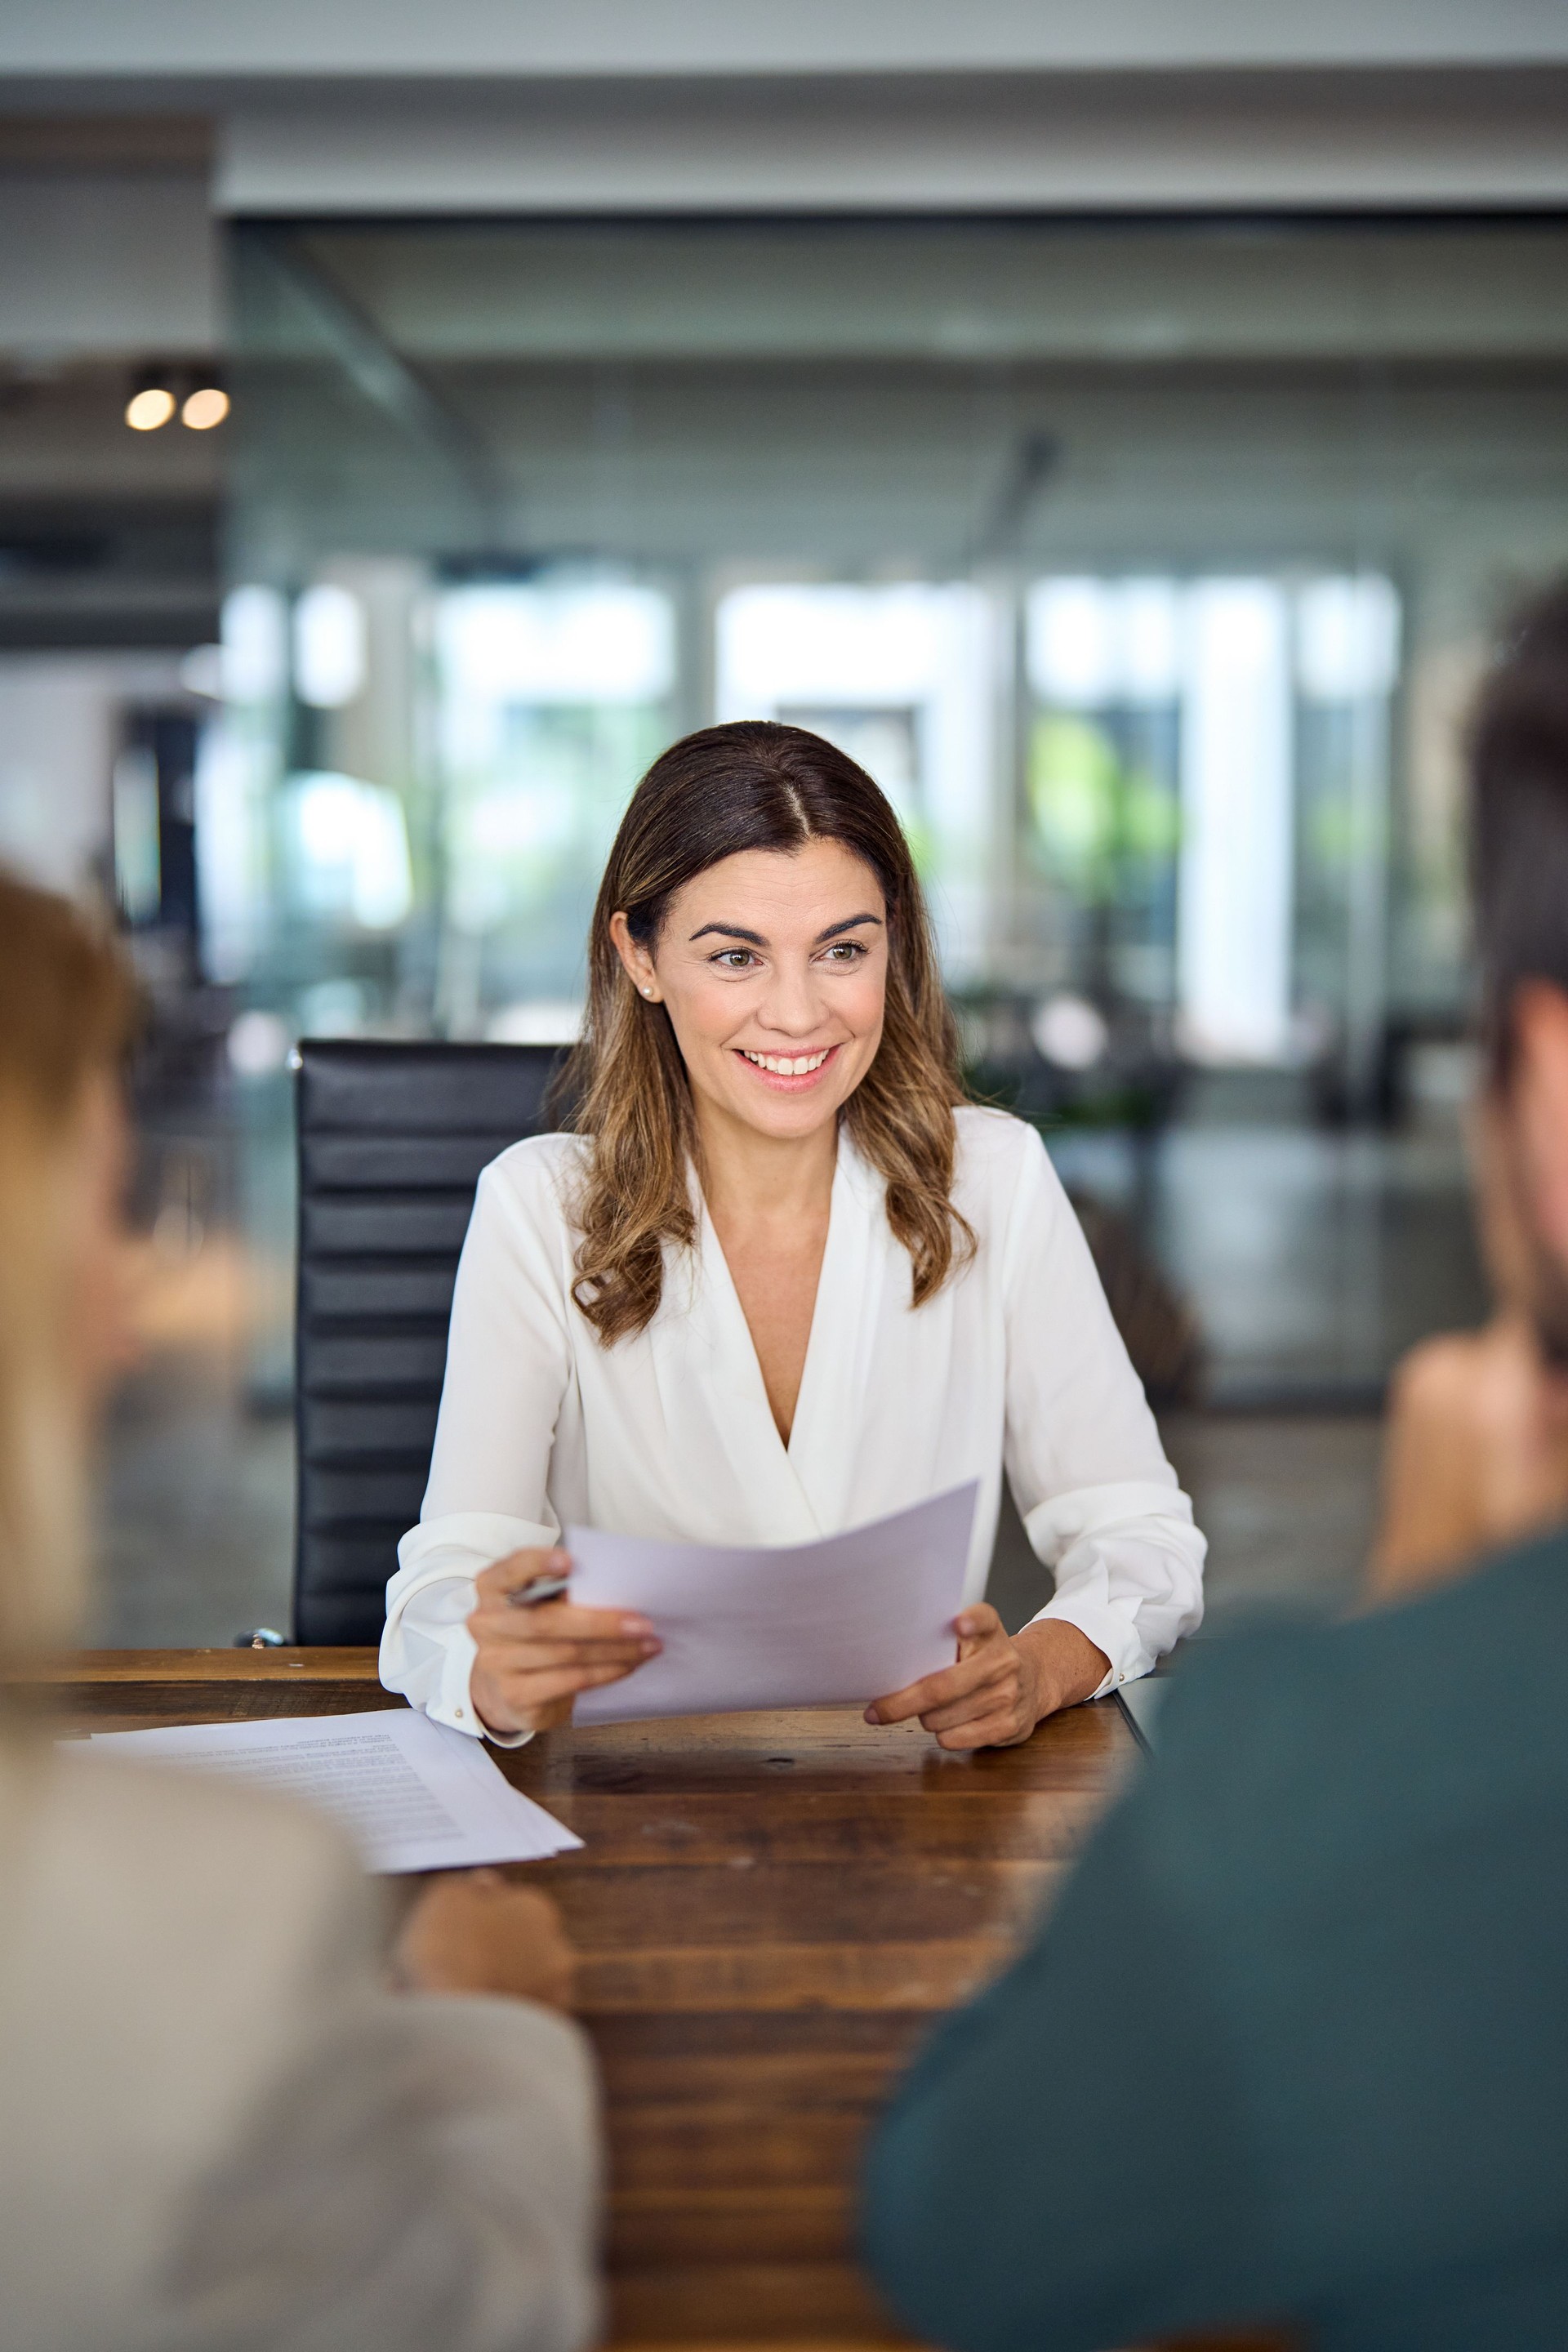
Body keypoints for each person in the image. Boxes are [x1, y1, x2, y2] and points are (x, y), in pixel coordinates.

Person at [860, 582, 1568, 2352]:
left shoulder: (1332, 1796)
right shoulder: (536, 1215)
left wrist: (1410, 1648)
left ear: (1544, 1087)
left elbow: (963, 2230)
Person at [0, 872, 601, 2352]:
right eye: (109, 1210)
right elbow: (475, 2315)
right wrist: (489, 2032)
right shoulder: (227, 1917)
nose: (135, 1303)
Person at [381, 723, 1205, 1748]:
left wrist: (1036, 1672)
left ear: (891, 947)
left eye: (841, 951)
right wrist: (491, 1672)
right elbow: (443, 1588)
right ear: (639, 957)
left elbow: (1140, 1535)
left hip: (911, 1805)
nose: (797, 1013)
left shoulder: (992, 1180)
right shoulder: (539, 1207)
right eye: (735, 956)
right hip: (632, 1815)